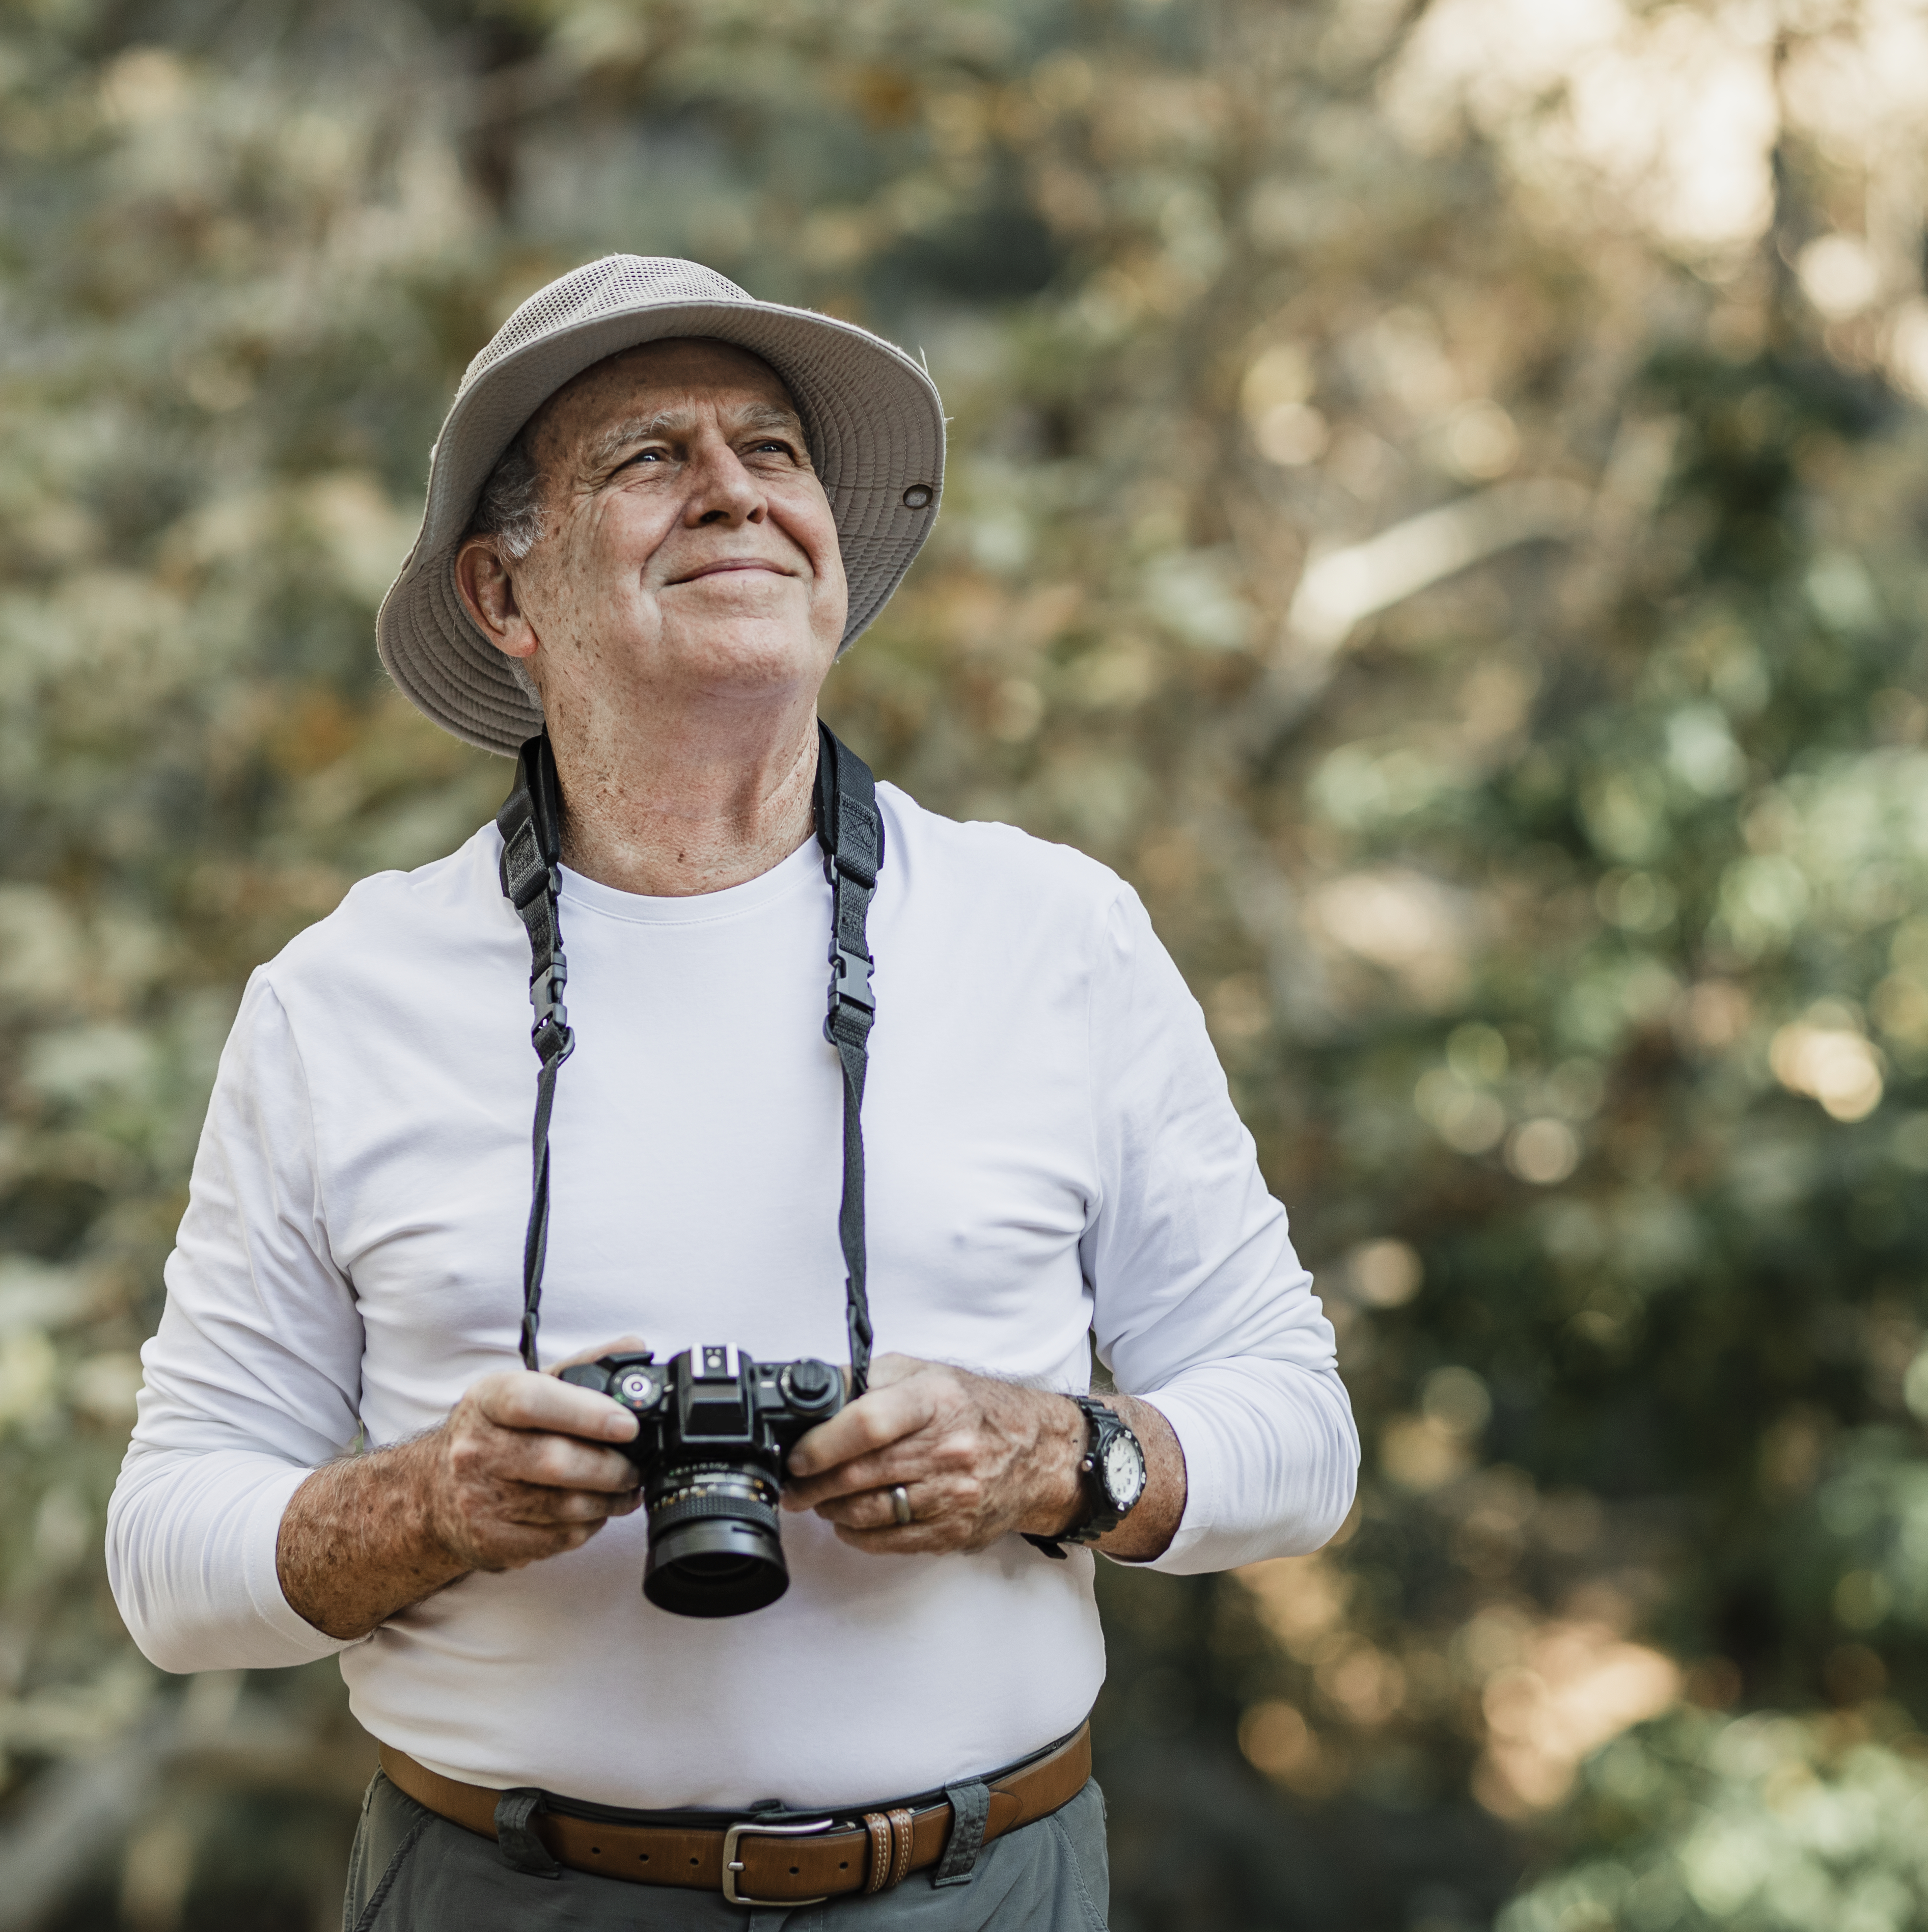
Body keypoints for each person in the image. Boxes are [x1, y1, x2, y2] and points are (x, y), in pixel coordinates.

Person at [104, 254, 1357, 1928]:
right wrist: (434, 1502)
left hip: (980, 1890)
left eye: (773, 450)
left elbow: (1300, 1431)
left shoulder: (1055, 932)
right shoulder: (340, 1000)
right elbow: (168, 1558)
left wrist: (1053, 1454)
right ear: (502, 591)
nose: (735, 491)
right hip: (503, 1893)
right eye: (650, 457)